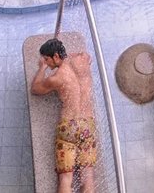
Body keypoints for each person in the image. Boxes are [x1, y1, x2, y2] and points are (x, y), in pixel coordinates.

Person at [31, 38, 97, 193]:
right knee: (87, 175)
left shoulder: (57, 78)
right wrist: (67, 56)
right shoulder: (82, 61)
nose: (47, 63)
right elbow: (87, 56)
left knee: (66, 177)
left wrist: (42, 68)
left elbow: (35, 89)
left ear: (55, 56)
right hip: (87, 125)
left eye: (47, 59)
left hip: (69, 128)